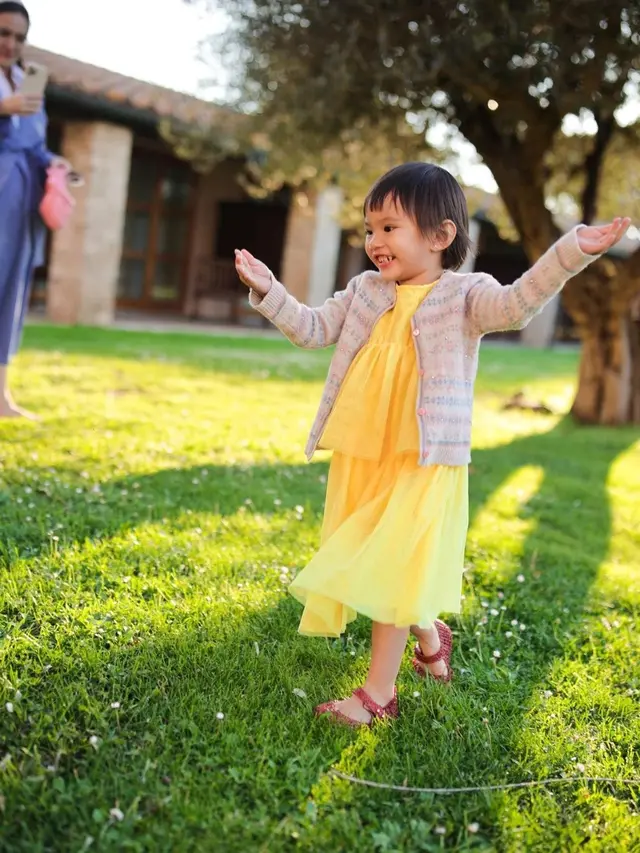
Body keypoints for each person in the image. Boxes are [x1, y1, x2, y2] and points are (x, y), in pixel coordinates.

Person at [235, 162, 630, 727]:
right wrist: (269, 290)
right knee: (388, 560)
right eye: (370, 229)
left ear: (441, 236)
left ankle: (377, 695)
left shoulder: (467, 295)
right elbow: (312, 329)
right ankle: (429, 639)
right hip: (367, 452)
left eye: (390, 228)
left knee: (392, 564)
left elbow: (518, 304)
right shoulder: (364, 292)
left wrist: (571, 251)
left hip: (423, 457)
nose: (375, 241)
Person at [0, 1, 72, 418]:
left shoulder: (28, 85)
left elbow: (35, 144)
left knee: (12, 293)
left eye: (19, 37)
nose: (10, 43)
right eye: (3, 33)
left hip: (23, 202)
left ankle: (1, 397)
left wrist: (56, 163)